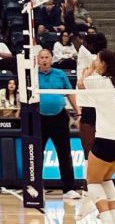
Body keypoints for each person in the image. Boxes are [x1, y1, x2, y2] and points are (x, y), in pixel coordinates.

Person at [76, 49, 115, 223]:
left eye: (97, 60)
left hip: (108, 138)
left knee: (93, 181)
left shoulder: (96, 81)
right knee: (105, 179)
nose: (94, 62)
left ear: (103, 64)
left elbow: (82, 83)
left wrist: (88, 72)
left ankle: (107, 219)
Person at [37, 49, 80, 199]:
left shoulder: (60, 74)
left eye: (47, 57)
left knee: (64, 154)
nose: (44, 60)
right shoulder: (33, 76)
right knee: (36, 155)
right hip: (40, 119)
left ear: (51, 59)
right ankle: (37, 188)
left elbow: (69, 93)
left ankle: (69, 189)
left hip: (60, 118)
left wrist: (78, 112)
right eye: (41, 57)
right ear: (37, 60)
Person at [76, 32, 108, 196]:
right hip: (92, 109)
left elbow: (75, 35)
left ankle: (94, 185)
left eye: (85, 41)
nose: (82, 43)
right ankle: (89, 186)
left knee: (93, 153)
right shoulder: (90, 57)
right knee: (90, 153)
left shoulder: (97, 59)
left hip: (96, 109)